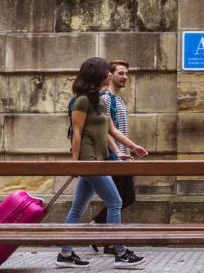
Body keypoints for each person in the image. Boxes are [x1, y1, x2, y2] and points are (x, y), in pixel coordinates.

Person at [55, 57, 147, 268]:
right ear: (96, 74)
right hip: (88, 161)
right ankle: (120, 252)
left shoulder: (99, 100)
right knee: (115, 202)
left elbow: (111, 130)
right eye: (106, 71)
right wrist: (75, 163)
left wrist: (131, 148)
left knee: (78, 208)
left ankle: (66, 254)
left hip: (100, 159)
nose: (109, 75)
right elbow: (76, 133)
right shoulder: (81, 101)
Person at [90, 60, 138, 256]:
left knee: (122, 198)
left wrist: (130, 147)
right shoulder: (106, 98)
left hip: (122, 155)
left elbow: (118, 128)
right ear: (110, 75)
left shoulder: (119, 100)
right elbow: (106, 130)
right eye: (120, 73)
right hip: (113, 156)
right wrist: (118, 151)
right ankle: (100, 232)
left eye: (126, 73)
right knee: (123, 198)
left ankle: (106, 238)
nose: (125, 77)